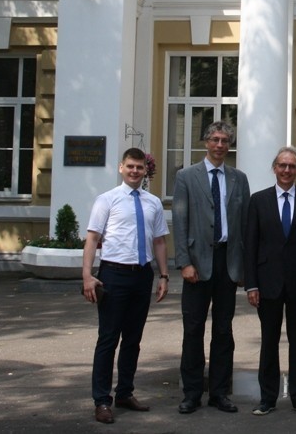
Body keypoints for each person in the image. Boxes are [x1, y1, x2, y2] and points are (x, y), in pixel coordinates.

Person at [82, 147, 170, 425]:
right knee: (108, 339)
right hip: (114, 275)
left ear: (145, 171)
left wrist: (164, 275)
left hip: (142, 275)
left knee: (133, 339)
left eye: (139, 167)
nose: (134, 171)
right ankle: (101, 400)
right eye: (130, 166)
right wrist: (87, 276)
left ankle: (125, 393)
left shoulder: (153, 202)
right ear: (121, 168)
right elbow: (92, 238)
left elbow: (159, 241)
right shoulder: (107, 200)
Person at [171, 121, 251, 415]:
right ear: (205, 142)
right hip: (197, 263)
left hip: (227, 263)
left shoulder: (239, 179)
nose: (220, 145)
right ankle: (192, 393)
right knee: (193, 329)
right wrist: (184, 262)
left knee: (223, 330)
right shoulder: (186, 176)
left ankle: (219, 392)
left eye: (225, 140)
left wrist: (244, 267)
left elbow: (245, 224)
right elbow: (180, 221)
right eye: (215, 139)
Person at [244, 147, 296, 417]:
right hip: (267, 284)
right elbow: (251, 245)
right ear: (274, 168)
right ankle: (267, 398)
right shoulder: (259, 201)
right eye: (282, 165)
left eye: (292, 166)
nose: (287, 170)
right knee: (269, 341)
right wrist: (251, 284)